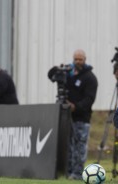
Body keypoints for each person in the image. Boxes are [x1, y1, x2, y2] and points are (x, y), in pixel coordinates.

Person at [48, 49, 98, 180]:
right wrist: (58, 69)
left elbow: (89, 99)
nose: (77, 62)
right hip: (67, 117)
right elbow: (52, 76)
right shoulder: (69, 74)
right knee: (68, 147)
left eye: (80, 59)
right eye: (75, 59)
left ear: (85, 60)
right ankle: (68, 172)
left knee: (79, 146)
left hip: (82, 118)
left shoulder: (90, 78)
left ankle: (77, 173)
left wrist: (76, 107)